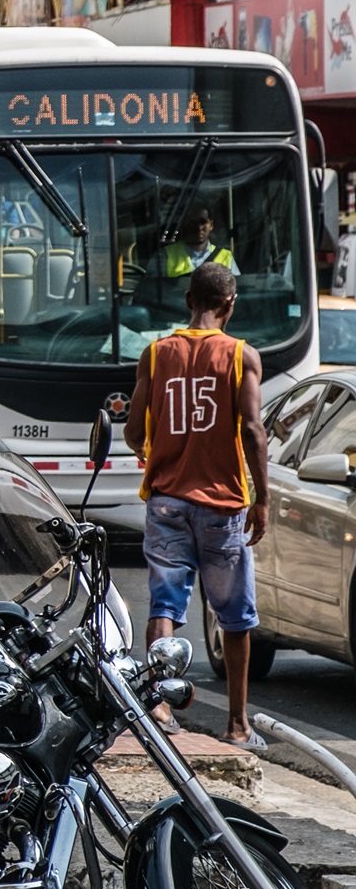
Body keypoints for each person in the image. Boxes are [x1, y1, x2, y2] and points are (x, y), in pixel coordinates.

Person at [126, 261, 269, 746]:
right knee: (234, 616)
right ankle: (237, 724)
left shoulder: (155, 353)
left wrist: (153, 445)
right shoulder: (240, 356)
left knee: (164, 605)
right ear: (229, 305)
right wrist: (262, 498)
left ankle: (160, 706)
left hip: (166, 501)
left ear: (188, 301)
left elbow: (130, 432)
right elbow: (252, 429)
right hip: (222, 505)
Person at [159, 207, 237, 279]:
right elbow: (151, 287)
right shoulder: (165, 256)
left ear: (211, 225)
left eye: (203, 222)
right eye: (193, 222)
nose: (199, 228)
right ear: (184, 224)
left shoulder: (226, 257)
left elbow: (238, 288)